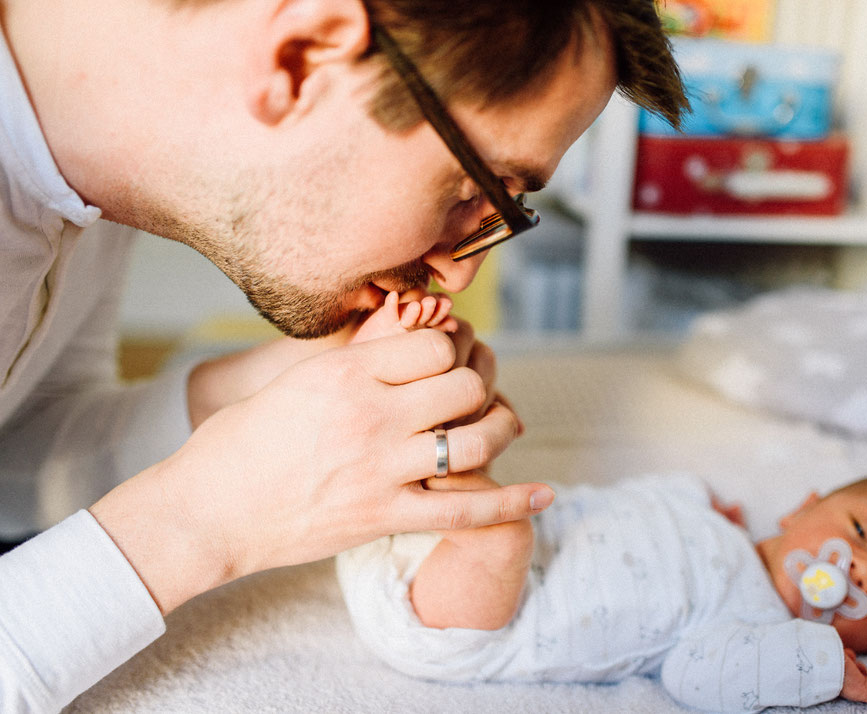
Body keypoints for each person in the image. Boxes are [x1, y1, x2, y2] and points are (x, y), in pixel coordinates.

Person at [0, 0, 688, 709]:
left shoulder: (93, 164)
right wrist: (204, 522)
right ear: (304, 58)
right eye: (473, 193)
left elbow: (15, 450)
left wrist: (253, 397)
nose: (458, 273)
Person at [338, 471, 867, 712]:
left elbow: (694, 679)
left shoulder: (757, 629)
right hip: (413, 537)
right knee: (471, 433)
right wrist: (698, 498)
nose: (863, 573)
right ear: (802, 507)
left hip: (458, 622)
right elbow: (642, 500)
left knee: (504, 530)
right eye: (861, 530)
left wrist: (817, 666)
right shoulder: (709, 520)